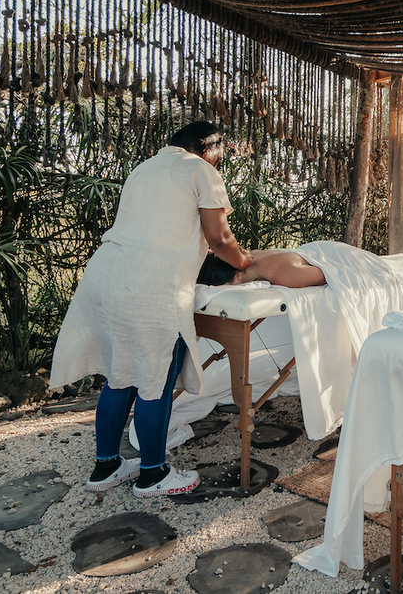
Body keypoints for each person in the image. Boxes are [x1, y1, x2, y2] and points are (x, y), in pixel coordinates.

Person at [50, 121, 253, 497]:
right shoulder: (200, 169)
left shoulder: (142, 170)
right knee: (154, 378)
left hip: (107, 276)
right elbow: (219, 237)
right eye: (219, 154)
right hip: (152, 285)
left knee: (120, 374)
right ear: (207, 147)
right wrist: (244, 261)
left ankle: (106, 466)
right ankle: (153, 474)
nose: (219, 161)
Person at [198, 248, 327, 288]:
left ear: (238, 276)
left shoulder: (282, 275)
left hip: (327, 254)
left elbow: (328, 274)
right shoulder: (252, 254)